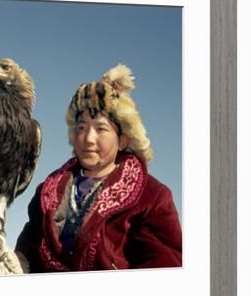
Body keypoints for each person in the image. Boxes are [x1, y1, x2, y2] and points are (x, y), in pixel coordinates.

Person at [15, 64, 182, 272]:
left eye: (101, 128)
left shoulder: (153, 198)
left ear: (122, 140)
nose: (88, 139)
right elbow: (26, 253)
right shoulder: (46, 191)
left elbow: (164, 269)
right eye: (81, 127)